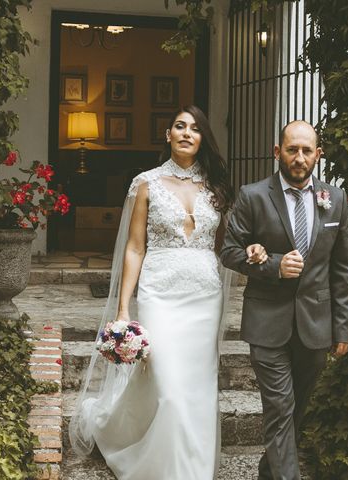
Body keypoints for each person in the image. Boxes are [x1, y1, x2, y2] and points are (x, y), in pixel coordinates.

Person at [69, 105, 265, 479]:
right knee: (168, 387)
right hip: (160, 293)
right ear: (168, 135)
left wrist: (252, 250)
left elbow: (225, 246)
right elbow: (134, 247)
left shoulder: (215, 187)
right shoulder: (146, 183)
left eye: (195, 128)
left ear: (202, 138)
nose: (187, 133)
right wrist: (124, 308)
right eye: (180, 126)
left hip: (205, 296)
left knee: (197, 391)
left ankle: (194, 469)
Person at [220, 120, 348, 480]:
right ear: (277, 152)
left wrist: (342, 328)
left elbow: (342, 268)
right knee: (280, 407)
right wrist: (273, 265)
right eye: (292, 150)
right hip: (267, 321)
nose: (299, 158)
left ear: (318, 155)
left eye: (306, 150)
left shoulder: (335, 199)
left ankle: (270, 471)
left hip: (316, 325)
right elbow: (229, 252)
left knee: (295, 411)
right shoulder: (253, 195)